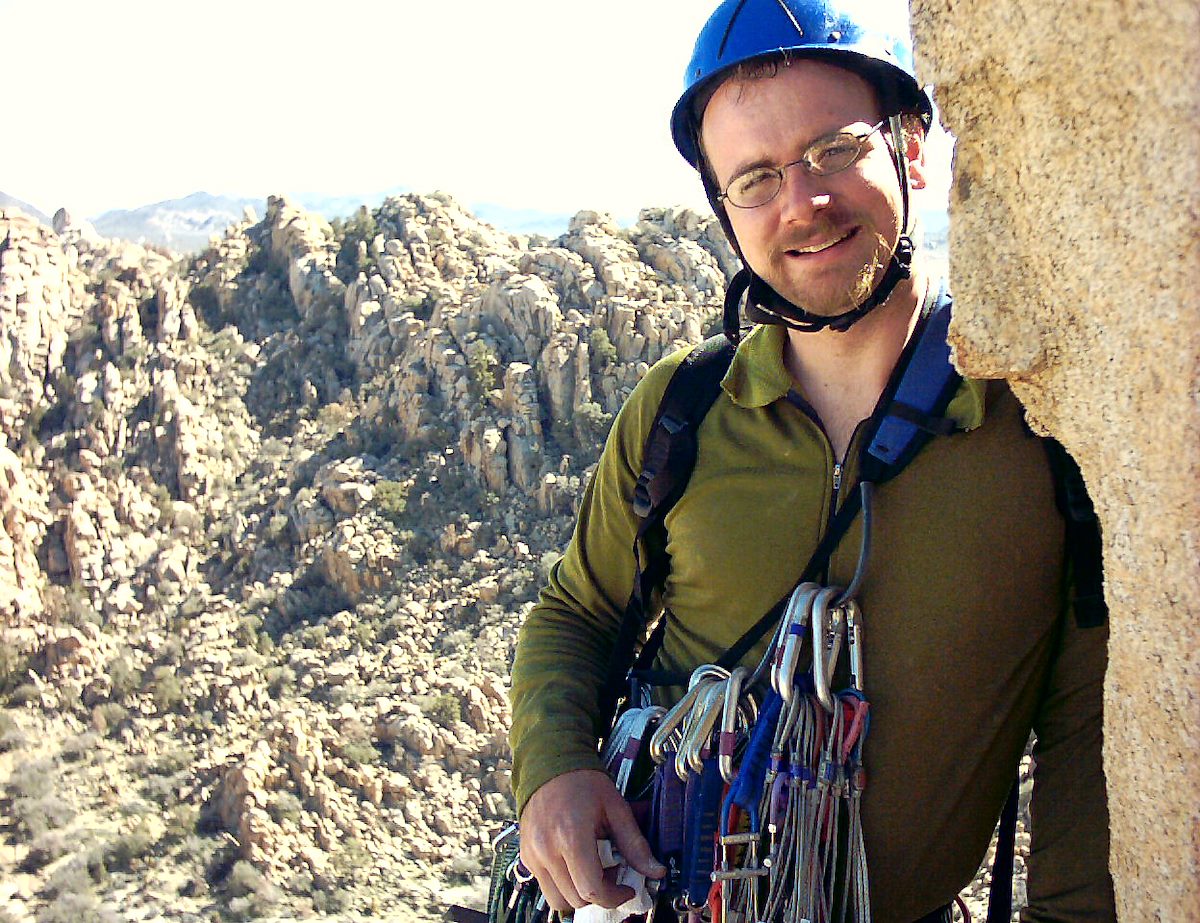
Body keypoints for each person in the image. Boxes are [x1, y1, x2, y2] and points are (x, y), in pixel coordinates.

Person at [508, 1, 1115, 920]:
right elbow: (577, 611)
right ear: (724, 210)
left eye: (834, 149)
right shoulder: (685, 409)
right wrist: (554, 768)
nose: (802, 202)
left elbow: (1085, 730)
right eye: (754, 178)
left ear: (911, 147)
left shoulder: (1036, 432)